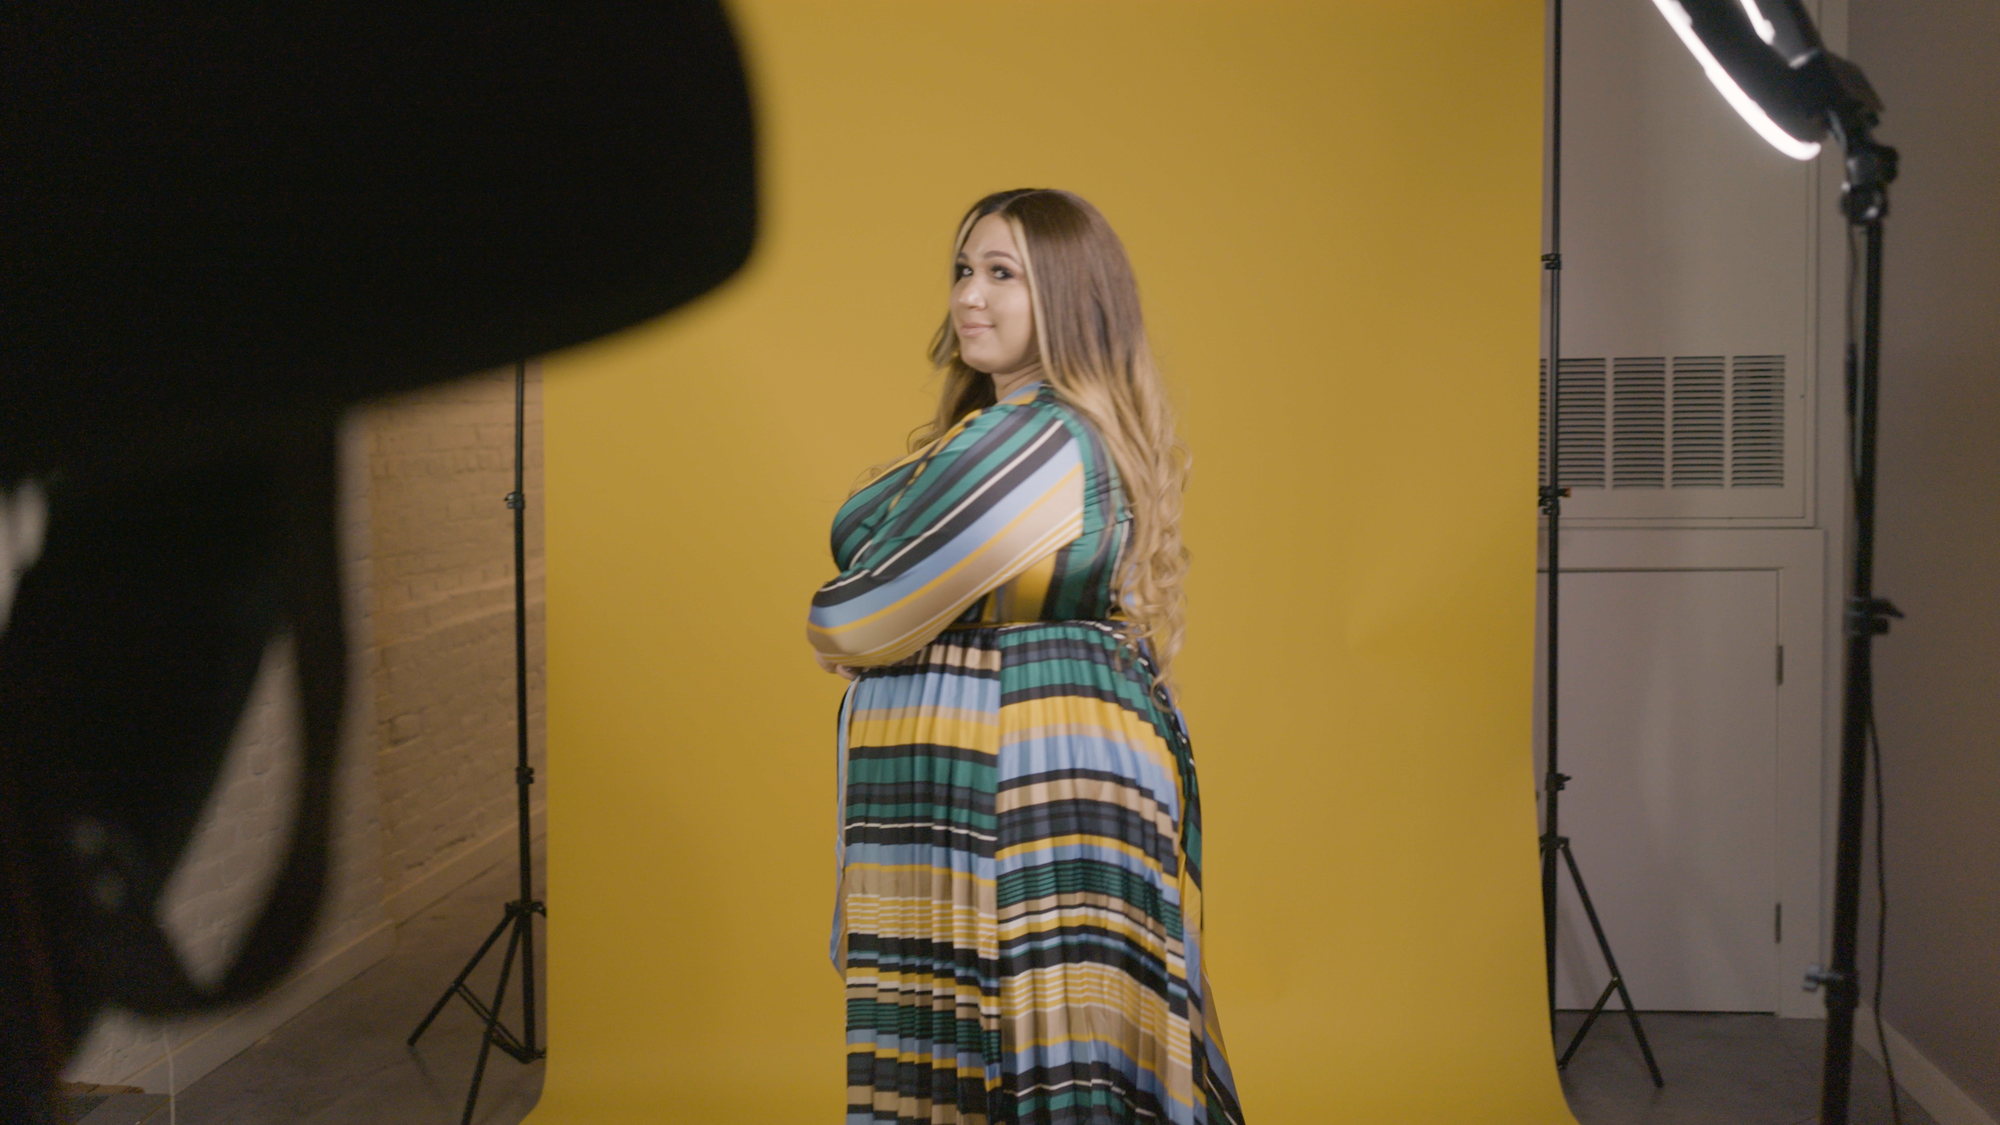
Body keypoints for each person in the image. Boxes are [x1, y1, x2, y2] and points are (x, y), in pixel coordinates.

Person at [808, 189, 1245, 1125]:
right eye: (964, 270)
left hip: (1018, 795)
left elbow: (859, 615)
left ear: (1070, 295)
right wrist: (898, 610)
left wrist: (871, 622)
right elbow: (903, 591)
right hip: (1018, 779)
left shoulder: (1038, 437)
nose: (970, 295)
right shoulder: (1039, 430)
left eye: (1003, 273)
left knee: (1034, 1059)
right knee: (1047, 1059)